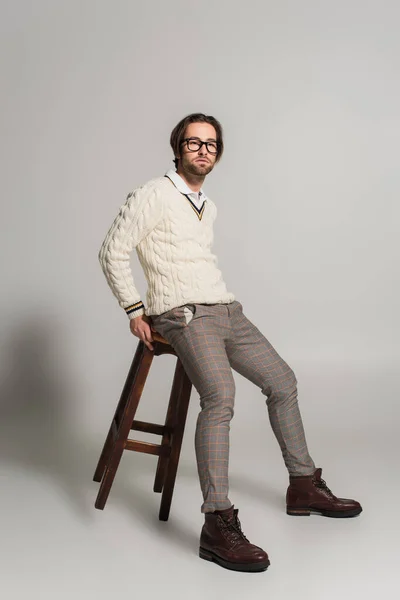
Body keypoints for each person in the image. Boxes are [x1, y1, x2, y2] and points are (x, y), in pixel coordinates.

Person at [98, 112, 362, 573]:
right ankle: (217, 521)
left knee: (283, 381)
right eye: (194, 142)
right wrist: (134, 309)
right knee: (220, 396)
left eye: (211, 145)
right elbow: (112, 250)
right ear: (177, 147)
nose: (203, 150)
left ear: (217, 154)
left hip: (225, 309)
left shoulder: (207, 205)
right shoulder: (153, 193)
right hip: (183, 313)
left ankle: (302, 485)